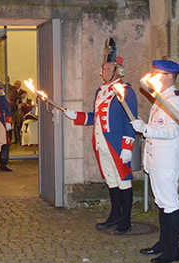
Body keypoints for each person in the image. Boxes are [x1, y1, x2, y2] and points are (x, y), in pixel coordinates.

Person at [62, 38, 138, 234]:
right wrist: (75, 115)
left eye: (107, 68)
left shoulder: (126, 92)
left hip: (117, 145)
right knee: (111, 180)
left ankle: (125, 220)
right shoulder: (100, 92)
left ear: (117, 70)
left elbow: (132, 121)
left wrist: (127, 148)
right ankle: (114, 216)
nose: (103, 71)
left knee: (123, 181)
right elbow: (95, 118)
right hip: (101, 144)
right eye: (103, 68)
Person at [131, 59, 179, 263]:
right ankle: (164, 243)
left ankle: (173, 250)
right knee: (162, 202)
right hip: (157, 159)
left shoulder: (175, 100)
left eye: (158, 74)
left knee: (170, 203)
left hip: (167, 161)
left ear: (169, 76)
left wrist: (146, 129)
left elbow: (174, 130)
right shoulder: (161, 97)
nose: (153, 76)